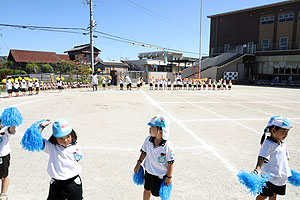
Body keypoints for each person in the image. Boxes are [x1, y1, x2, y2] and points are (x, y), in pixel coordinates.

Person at [39, 119, 83, 200]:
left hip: (73, 181)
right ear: (55, 138)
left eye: (68, 136)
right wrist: (42, 126)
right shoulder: (52, 146)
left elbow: (77, 158)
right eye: (61, 138)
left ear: (72, 134)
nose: (65, 140)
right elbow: (37, 140)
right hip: (57, 182)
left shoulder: (76, 146)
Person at [134, 116, 175, 200]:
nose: (150, 129)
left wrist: (169, 177)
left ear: (160, 130)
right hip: (149, 172)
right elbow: (143, 152)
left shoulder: (168, 147)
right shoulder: (148, 140)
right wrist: (138, 163)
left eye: (152, 127)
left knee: (163, 194)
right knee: (146, 190)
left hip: (161, 175)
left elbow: (170, 163)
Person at [253, 116, 292, 200]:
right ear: (273, 130)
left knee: (274, 195)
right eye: (283, 132)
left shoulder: (282, 144)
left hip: (280, 176)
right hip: (269, 177)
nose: (286, 135)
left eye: (287, 132)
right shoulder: (268, 143)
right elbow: (262, 158)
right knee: (263, 195)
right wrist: (257, 169)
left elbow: (285, 159)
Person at [0, 111, 16, 200]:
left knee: (4, 176)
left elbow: (12, 130)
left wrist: (13, 123)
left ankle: (3, 194)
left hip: (3, 156)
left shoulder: (5, 129)